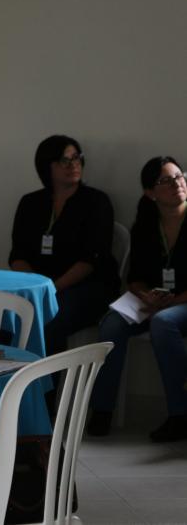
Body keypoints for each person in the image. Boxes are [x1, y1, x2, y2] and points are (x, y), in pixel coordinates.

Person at [88, 157, 187, 441]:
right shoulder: (145, 226)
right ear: (150, 192)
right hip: (156, 302)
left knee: (164, 323)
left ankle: (180, 414)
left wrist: (175, 300)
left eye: (179, 176)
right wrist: (145, 294)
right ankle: (102, 410)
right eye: (165, 180)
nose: (177, 183)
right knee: (111, 324)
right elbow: (135, 276)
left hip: (181, 304)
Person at [9, 135, 119, 356]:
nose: (73, 165)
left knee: (49, 318)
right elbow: (18, 255)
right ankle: (8, 382)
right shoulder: (30, 203)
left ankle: (47, 390)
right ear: (46, 165)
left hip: (87, 288)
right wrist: (37, 287)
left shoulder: (96, 201)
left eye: (76, 158)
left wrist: (52, 289)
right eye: (64, 160)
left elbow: (91, 259)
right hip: (40, 288)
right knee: (4, 317)